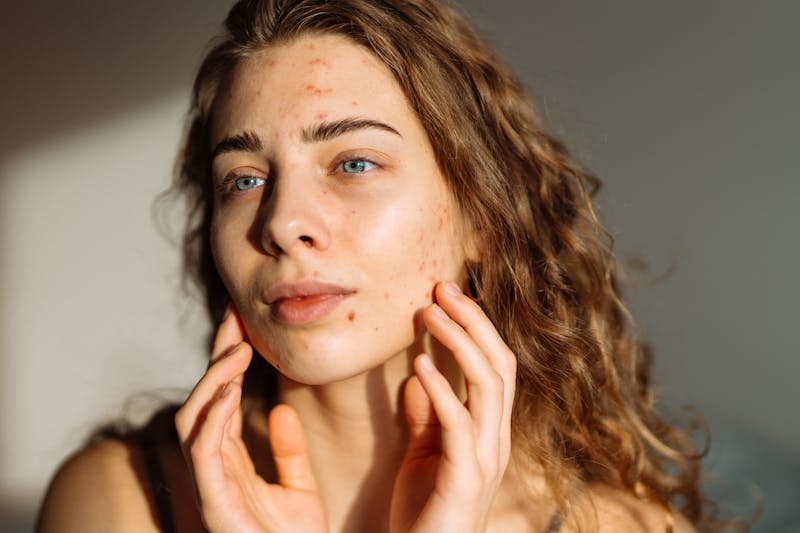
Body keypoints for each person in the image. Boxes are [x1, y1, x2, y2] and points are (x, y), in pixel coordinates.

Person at [36, 0, 713, 531]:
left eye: (354, 164)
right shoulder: (119, 502)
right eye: (241, 180)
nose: (281, 223)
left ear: (482, 215)